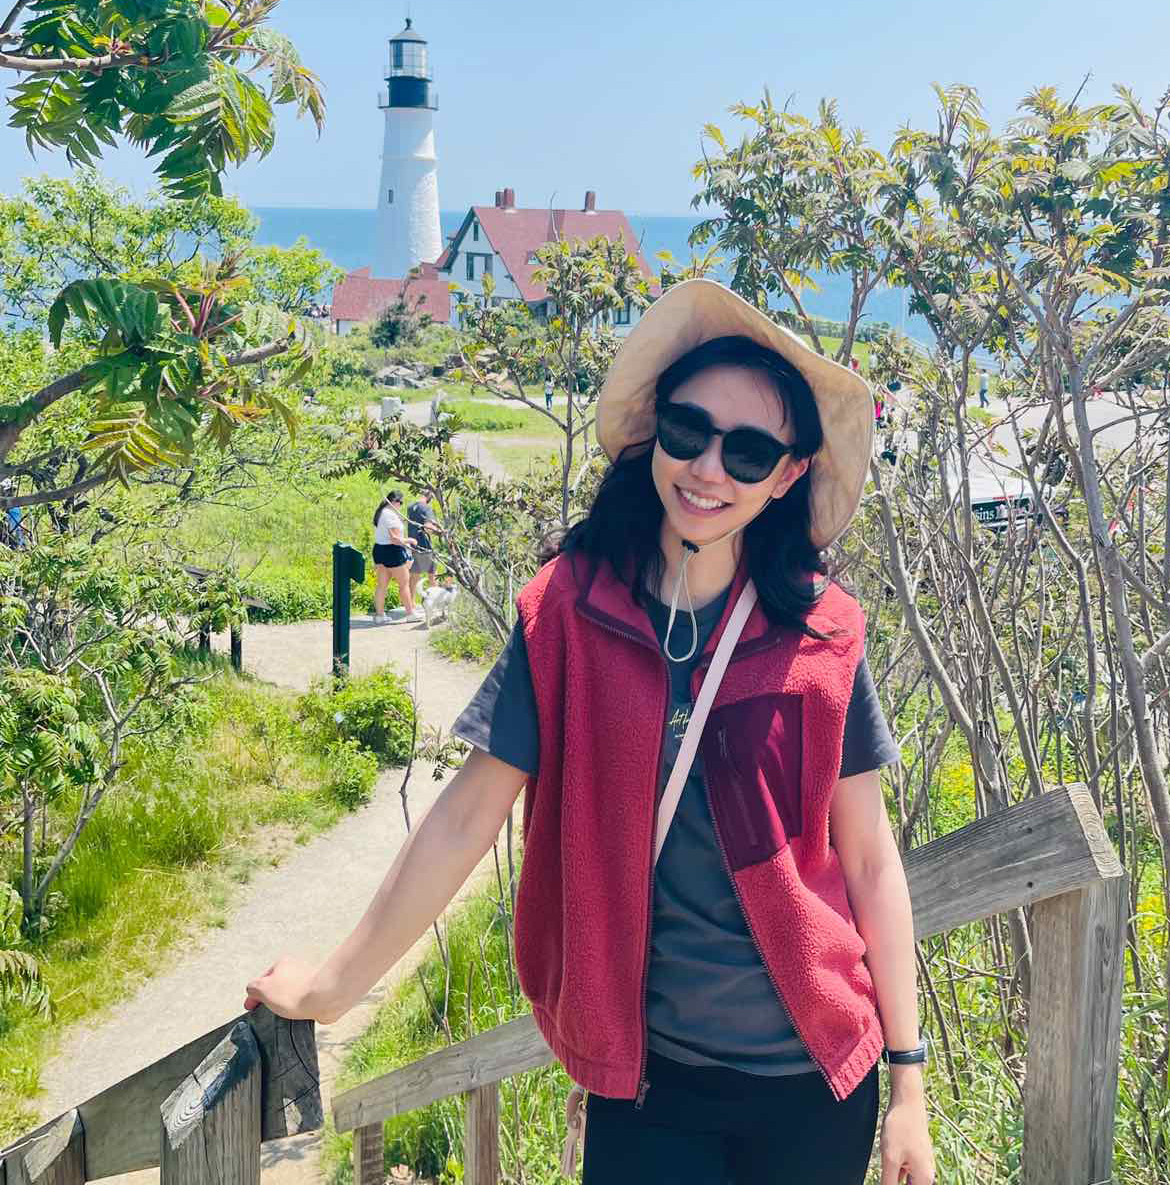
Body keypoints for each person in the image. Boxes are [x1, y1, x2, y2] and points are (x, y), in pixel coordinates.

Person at [245, 279, 935, 1185]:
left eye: (751, 449)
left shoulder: (824, 633)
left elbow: (869, 861)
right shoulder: (566, 615)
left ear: (789, 474)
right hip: (647, 1086)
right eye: (689, 431)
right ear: (656, 433)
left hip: (814, 1079)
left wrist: (909, 1083)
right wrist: (332, 989)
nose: (709, 469)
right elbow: (463, 821)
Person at [370, 490, 419, 624]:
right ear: (394, 501)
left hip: (379, 550)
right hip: (392, 551)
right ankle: (410, 614)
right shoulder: (390, 515)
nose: (401, 506)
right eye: (400, 503)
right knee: (404, 584)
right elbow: (395, 539)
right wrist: (410, 540)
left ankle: (380, 615)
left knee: (381, 585)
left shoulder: (381, 513)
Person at [407, 486, 441, 583]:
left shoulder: (410, 507)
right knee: (433, 574)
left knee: (414, 576)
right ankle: (435, 596)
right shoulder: (427, 508)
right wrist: (439, 531)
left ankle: (410, 598)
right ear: (430, 496)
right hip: (424, 545)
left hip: (413, 545)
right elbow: (428, 528)